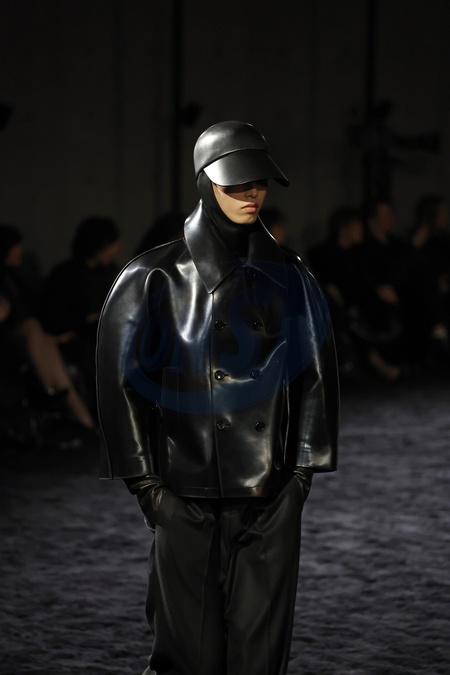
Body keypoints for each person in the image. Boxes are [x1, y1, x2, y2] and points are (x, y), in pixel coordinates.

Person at [96, 121, 339, 675]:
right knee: (187, 659)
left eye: (260, 182)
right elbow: (119, 387)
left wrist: (300, 478)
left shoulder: (292, 277)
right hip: (183, 494)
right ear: (206, 182)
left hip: (271, 494)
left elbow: (317, 378)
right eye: (237, 183)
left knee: (260, 660)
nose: (252, 194)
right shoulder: (151, 278)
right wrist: (149, 491)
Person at [0, 224, 95, 430]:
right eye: (15, 246)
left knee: (42, 336)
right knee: (34, 328)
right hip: (10, 343)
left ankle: (77, 414)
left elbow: (36, 310)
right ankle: (71, 408)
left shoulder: (16, 278)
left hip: (33, 340)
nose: (20, 251)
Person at [40, 216, 122, 407]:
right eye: (110, 245)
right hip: (78, 339)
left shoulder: (109, 272)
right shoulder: (66, 274)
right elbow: (55, 315)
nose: (116, 250)